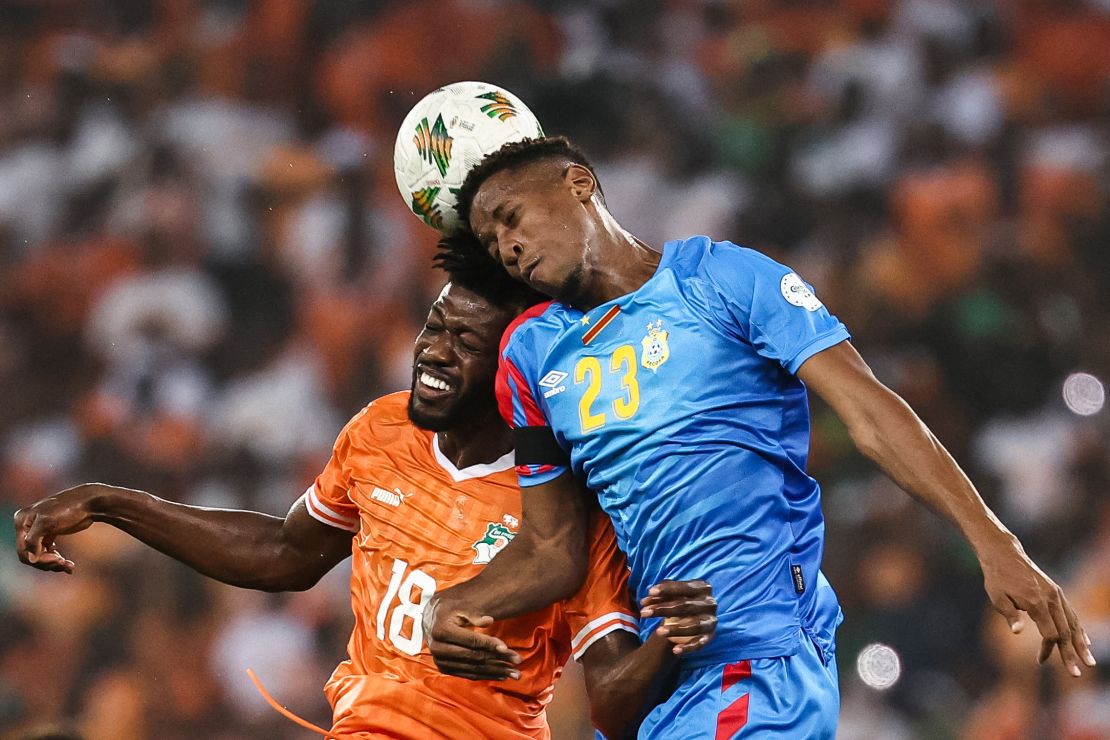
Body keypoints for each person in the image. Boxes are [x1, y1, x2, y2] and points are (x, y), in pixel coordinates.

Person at [421, 136, 1096, 738]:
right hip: (662, 681)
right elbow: (550, 547)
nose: (507, 248)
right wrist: (456, 605)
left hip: (760, 658)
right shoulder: (534, 355)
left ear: (578, 183)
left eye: (511, 220)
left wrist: (993, 541)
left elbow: (870, 413)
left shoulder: (723, 280)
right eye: (492, 243)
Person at [14, 244, 719, 740]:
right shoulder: (381, 430)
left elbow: (613, 702)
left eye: (465, 343)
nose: (432, 352)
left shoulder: (567, 514)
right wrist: (112, 501)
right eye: (434, 325)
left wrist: (671, 645)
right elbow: (288, 554)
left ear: (519, 375)